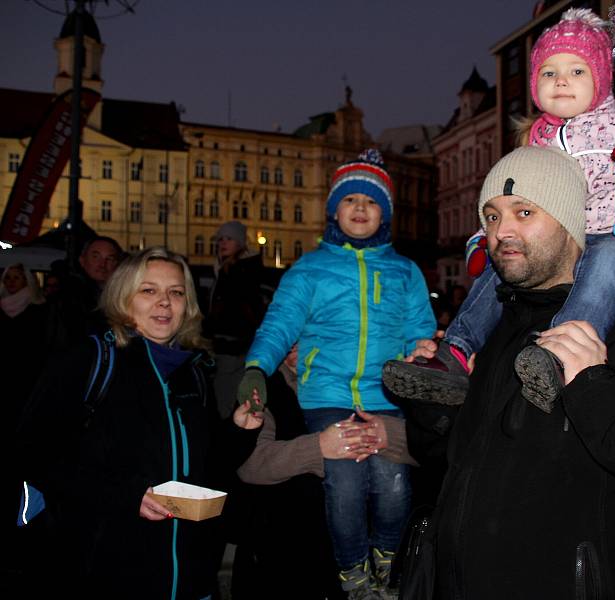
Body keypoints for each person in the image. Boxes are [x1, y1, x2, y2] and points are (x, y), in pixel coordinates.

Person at [400, 146, 615, 600]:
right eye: (490, 216)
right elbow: (445, 460)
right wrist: (434, 404)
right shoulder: (488, 330)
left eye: (523, 212)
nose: (500, 232)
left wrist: (594, 385)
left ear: (572, 222)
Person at [383, 8, 615, 409]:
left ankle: (559, 354)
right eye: (549, 72)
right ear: (534, 84)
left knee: (609, 254)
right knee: (507, 260)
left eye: (577, 71)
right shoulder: (534, 141)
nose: (561, 80)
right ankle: (455, 353)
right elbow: (513, 203)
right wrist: (482, 240)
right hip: (564, 249)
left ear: (601, 77)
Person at [237, 149, 436, 599]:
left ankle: (387, 560)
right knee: (344, 481)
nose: (360, 208)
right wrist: (254, 368)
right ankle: (352, 572)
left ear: (384, 212)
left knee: (393, 481)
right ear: (334, 210)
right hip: (326, 396)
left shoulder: (405, 271)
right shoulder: (308, 270)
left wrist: (423, 354)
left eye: (371, 201)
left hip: (385, 397)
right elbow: (279, 325)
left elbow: (417, 330)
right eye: (350, 200)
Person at [17, 247, 264, 599]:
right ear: (123, 296)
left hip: (190, 577)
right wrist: (125, 496)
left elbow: (207, 468)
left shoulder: (192, 371)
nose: (164, 302)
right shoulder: (90, 361)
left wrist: (240, 429)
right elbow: (34, 453)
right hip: (107, 574)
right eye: (148, 290)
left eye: (176, 292)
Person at [233, 345, 416, 599]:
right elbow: (249, 465)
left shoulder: (370, 381)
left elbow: (433, 451)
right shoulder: (265, 386)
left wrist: (390, 435)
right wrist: (320, 447)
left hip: (372, 560)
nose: (298, 346)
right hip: (286, 559)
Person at [0, 264, 49, 592]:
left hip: (29, 400)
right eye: (8, 277)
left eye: (18, 276)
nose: (13, 281)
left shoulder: (39, 312)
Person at [203, 220, 267, 418]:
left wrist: (211, 330)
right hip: (233, 341)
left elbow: (238, 309)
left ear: (240, 243)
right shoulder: (227, 267)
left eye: (229, 239)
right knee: (231, 392)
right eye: (220, 239)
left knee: (224, 393)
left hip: (232, 342)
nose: (223, 243)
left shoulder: (238, 270)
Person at [45, 235, 123, 351]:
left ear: (117, 264)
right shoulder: (68, 297)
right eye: (96, 257)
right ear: (82, 260)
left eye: (110, 259)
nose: (102, 264)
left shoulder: (122, 298)